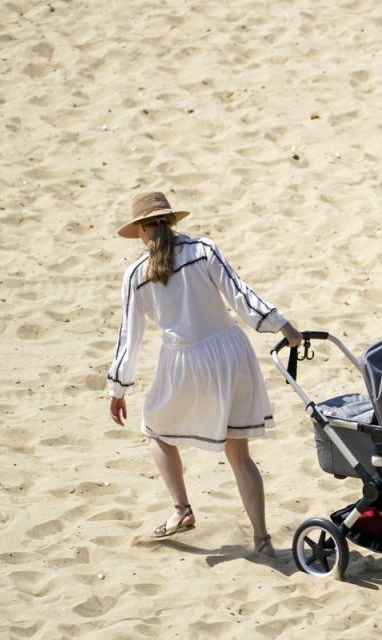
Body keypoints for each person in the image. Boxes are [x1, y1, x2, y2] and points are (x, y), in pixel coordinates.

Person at [107, 191, 302, 558]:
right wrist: (282, 325)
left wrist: (118, 387)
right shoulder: (203, 249)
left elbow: (128, 337)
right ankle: (261, 539)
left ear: (141, 231)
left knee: (156, 429)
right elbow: (241, 295)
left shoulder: (135, 275)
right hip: (231, 352)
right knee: (238, 453)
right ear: (172, 222)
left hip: (184, 363)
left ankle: (182, 511)